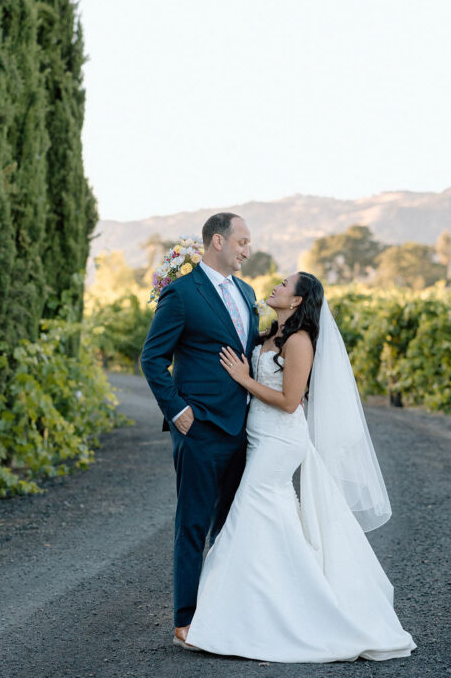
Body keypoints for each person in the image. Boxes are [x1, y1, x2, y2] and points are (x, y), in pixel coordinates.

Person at [185, 271, 416, 662]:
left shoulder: (299, 341)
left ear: (296, 301)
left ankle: (257, 616)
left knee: (251, 509)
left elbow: (291, 401)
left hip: (280, 440)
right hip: (258, 437)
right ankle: (264, 608)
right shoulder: (267, 336)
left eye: (285, 284)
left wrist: (243, 379)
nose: (276, 285)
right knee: (268, 517)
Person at [140, 212, 259, 649]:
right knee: (192, 525)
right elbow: (152, 359)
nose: (248, 250)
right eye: (242, 242)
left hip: (242, 429)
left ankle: (223, 613)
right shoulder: (183, 294)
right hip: (199, 427)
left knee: (230, 528)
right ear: (216, 242)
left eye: (249, 243)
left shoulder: (247, 293)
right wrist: (177, 411)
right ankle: (185, 621)